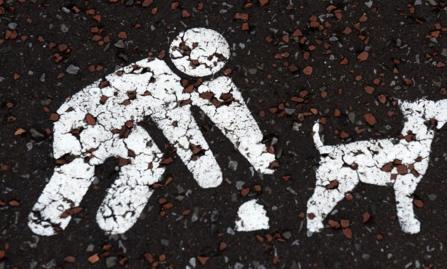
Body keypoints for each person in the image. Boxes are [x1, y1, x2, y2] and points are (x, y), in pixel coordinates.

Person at [29, 28, 275, 236]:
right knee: (76, 169)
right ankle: (47, 221)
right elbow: (175, 120)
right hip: (79, 126)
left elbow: (174, 119)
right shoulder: (156, 75)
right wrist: (204, 166)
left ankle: (114, 219)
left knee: (149, 160)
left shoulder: (158, 73)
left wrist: (204, 166)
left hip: (111, 127)